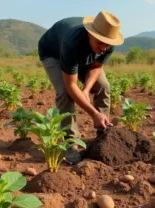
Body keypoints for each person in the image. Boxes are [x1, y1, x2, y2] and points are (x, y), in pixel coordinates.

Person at [38, 10, 124, 138]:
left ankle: (104, 133)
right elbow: (71, 85)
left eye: (107, 44)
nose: (104, 48)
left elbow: (96, 67)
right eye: (100, 42)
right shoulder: (71, 44)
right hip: (53, 52)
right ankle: (71, 140)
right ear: (90, 34)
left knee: (103, 86)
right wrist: (94, 114)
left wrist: (86, 90)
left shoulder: (108, 41)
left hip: (82, 52)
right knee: (64, 93)